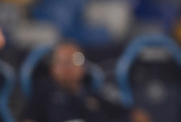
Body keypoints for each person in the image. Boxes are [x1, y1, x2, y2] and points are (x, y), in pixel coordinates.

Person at [22, 41, 151, 122]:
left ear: (83, 68)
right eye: (62, 62)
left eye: (74, 61)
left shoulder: (91, 93)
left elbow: (130, 113)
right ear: (52, 68)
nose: (68, 67)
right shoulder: (44, 92)